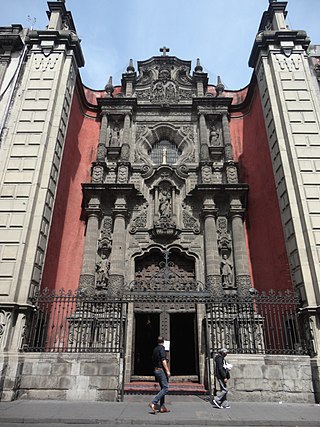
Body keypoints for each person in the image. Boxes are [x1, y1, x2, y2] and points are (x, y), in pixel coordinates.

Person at [149, 336, 171, 414]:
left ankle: (162, 407)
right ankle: (153, 402)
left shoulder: (155, 349)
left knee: (162, 387)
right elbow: (163, 360)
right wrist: (167, 371)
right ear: (164, 341)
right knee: (165, 388)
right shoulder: (162, 349)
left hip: (156, 370)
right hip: (161, 370)